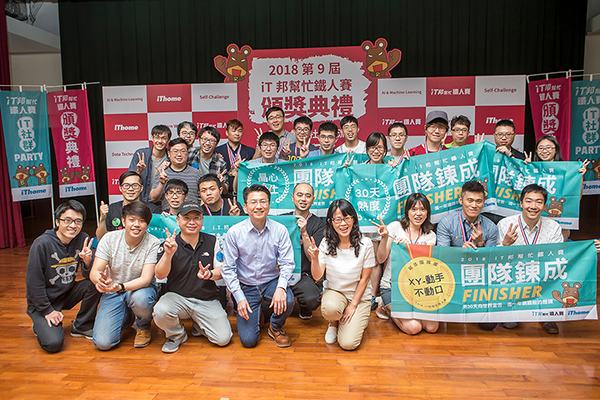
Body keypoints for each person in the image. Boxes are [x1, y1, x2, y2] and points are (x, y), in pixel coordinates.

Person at [221, 184, 295, 348]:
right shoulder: (235, 232)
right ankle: (259, 313)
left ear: (269, 204)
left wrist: (281, 288)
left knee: (288, 299)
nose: (259, 206)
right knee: (248, 341)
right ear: (245, 206)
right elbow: (228, 269)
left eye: (263, 201)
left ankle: (275, 326)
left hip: (271, 282)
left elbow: (287, 263)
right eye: (253, 202)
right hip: (247, 286)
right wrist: (239, 298)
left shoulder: (280, 230)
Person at [153, 203, 232, 352]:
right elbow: (160, 274)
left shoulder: (212, 241)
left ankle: (198, 325)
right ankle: (177, 335)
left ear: (202, 220)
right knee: (160, 310)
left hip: (206, 299)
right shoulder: (169, 243)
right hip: (178, 298)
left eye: (196, 218)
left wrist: (210, 274)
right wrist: (168, 254)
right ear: (178, 220)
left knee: (223, 339)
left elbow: (222, 270)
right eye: (187, 218)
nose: (192, 222)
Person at [26, 200, 101, 353]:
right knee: (53, 344)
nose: (73, 225)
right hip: (44, 302)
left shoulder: (83, 239)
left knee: (95, 283)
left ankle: (82, 326)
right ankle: (40, 324)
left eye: (78, 221)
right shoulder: (41, 244)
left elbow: (89, 276)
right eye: (67, 220)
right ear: (57, 222)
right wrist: (47, 311)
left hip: (66, 293)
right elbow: (33, 284)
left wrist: (87, 262)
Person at [493, 184, 563, 334]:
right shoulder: (505, 224)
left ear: (545, 206)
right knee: (510, 324)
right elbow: (495, 261)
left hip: (542, 279)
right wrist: (505, 245)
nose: (533, 206)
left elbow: (558, 258)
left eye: (539, 202)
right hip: (514, 280)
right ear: (521, 203)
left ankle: (546, 316)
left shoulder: (554, 227)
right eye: (529, 201)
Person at [90, 202, 161, 350]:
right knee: (103, 343)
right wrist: (101, 281)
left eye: (142, 221)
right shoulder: (109, 239)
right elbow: (95, 271)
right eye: (132, 220)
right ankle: (127, 316)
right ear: (123, 221)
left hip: (140, 290)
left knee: (141, 299)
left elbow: (146, 279)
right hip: (113, 291)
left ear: (147, 224)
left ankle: (143, 326)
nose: (136, 225)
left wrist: (121, 286)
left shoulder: (153, 242)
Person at [306, 199, 374, 350]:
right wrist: (315, 258)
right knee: (330, 309)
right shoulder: (326, 243)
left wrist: (353, 306)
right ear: (330, 222)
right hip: (335, 293)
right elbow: (317, 276)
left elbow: (365, 279)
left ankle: (358, 318)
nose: (343, 224)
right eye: (338, 219)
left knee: (348, 344)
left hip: (359, 298)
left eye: (347, 218)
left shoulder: (366, 243)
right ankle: (334, 322)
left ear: (353, 219)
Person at [372, 193, 438, 334]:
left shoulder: (430, 235)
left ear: (427, 212)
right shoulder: (395, 227)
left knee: (432, 327)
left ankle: (399, 309)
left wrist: (409, 249)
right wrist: (385, 238)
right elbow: (381, 259)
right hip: (392, 286)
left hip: (417, 288)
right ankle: (385, 306)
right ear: (407, 211)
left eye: (422, 209)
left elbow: (425, 268)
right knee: (414, 328)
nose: (418, 213)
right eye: (414, 209)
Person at [285, 183, 325, 319]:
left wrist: (304, 233)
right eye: (299, 195)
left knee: (312, 300)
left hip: (303, 274)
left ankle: (303, 306)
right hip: (280, 272)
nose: (303, 199)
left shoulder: (318, 225)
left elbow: (311, 257)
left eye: (308, 196)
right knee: (265, 305)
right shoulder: (282, 220)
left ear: (313, 199)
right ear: (292, 198)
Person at [436, 180, 499, 248]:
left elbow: (490, 254)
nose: (474, 205)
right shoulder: (446, 223)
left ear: (483, 203)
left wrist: (481, 244)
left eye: (478, 201)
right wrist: (461, 251)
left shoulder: (491, 228)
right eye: (470, 201)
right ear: (461, 200)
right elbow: (443, 252)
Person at [150, 138, 201, 210]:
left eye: (183, 151)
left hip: (191, 214)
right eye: (175, 151)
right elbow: (154, 198)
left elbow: (203, 198)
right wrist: (161, 184)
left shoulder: (196, 173)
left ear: (187, 153)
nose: (179, 154)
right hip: (169, 215)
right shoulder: (163, 173)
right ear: (169, 154)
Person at [129, 124, 171, 205]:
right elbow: (129, 181)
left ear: (168, 140)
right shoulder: (141, 154)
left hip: (163, 203)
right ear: (152, 138)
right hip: (142, 201)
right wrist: (139, 172)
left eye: (164, 138)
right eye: (157, 137)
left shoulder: (171, 157)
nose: (160, 141)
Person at [96, 171, 144, 240]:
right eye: (126, 185)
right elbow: (101, 238)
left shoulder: (151, 209)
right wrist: (102, 219)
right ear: (120, 188)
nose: (130, 189)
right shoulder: (111, 209)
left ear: (141, 188)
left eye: (135, 185)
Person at [215, 119, 256, 196]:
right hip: (224, 194)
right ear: (227, 133)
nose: (237, 133)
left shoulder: (250, 151)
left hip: (244, 194)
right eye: (234, 131)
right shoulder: (217, 151)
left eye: (239, 131)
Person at [187, 126, 229, 194]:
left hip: (210, 196)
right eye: (204, 139)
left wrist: (221, 183)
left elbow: (225, 191)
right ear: (199, 140)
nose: (207, 143)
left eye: (212, 141)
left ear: (216, 144)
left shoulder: (220, 163)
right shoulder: (190, 153)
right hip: (191, 195)